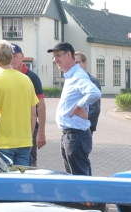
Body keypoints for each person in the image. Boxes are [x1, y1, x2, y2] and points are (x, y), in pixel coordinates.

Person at [0, 40, 39, 167]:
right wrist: (29, 137)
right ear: (11, 57)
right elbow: (33, 113)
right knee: (21, 177)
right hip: (24, 141)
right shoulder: (26, 80)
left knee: (4, 176)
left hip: (2, 142)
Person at [47, 42, 100, 176]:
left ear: (69, 54)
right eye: (54, 57)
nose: (55, 59)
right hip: (71, 136)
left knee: (80, 181)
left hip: (76, 136)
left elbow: (95, 93)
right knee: (74, 179)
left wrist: (78, 106)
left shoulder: (77, 76)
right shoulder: (71, 75)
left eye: (58, 55)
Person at [9, 43, 47, 167]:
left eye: (15, 56)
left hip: (28, 128)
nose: (12, 59)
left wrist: (41, 132)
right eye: (9, 56)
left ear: (22, 56)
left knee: (30, 163)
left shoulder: (32, 77)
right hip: (9, 128)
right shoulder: (4, 76)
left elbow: (41, 105)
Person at [74, 52, 102, 134]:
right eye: (73, 63)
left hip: (83, 128)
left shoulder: (92, 81)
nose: (75, 66)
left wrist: (87, 126)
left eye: (77, 63)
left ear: (85, 63)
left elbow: (95, 108)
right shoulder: (73, 80)